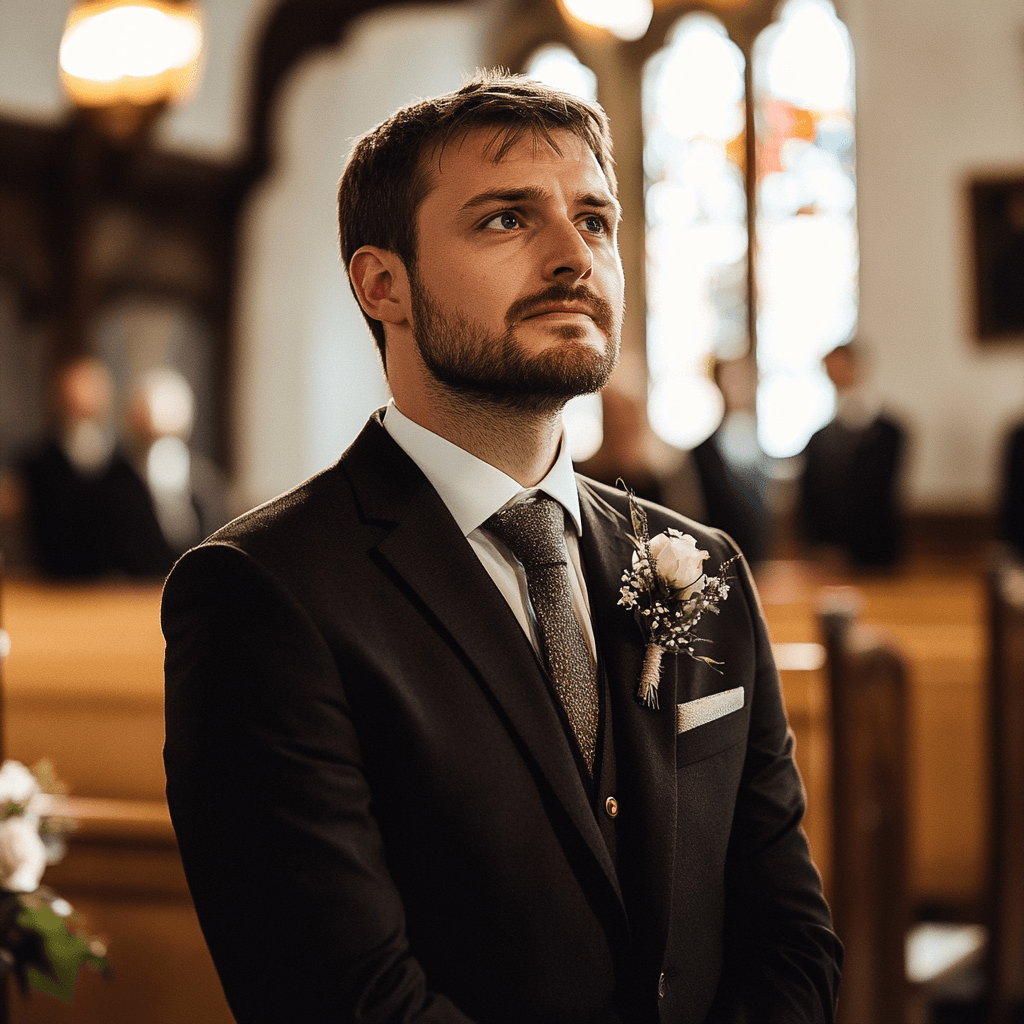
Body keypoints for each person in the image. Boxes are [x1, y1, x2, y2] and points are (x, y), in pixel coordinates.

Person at [163, 71, 841, 1024]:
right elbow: (343, 998)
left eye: (596, 221)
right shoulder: (263, 594)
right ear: (383, 283)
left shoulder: (703, 566)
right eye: (506, 221)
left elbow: (789, 935)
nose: (575, 257)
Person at [797, 341, 905, 569]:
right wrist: (821, 546)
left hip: (878, 553)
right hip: (831, 555)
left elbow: (880, 492)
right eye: (831, 372)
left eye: (842, 369)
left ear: (861, 367)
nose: (838, 378)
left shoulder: (892, 433)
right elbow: (811, 498)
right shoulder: (818, 440)